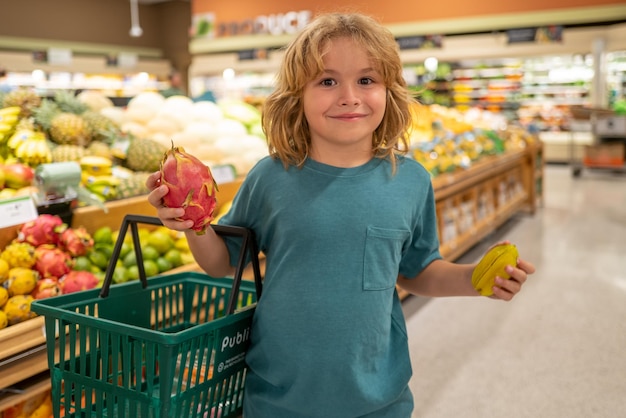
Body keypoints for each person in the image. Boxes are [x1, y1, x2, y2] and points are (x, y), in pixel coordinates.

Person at [146, 12, 535, 418]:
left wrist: (475, 280)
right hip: (278, 398)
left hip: (379, 401)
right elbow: (220, 261)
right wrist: (190, 221)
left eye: (366, 80)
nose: (349, 96)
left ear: (391, 92)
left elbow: (416, 270)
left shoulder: (411, 181)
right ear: (297, 96)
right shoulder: (270, 177)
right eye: (327, 81)